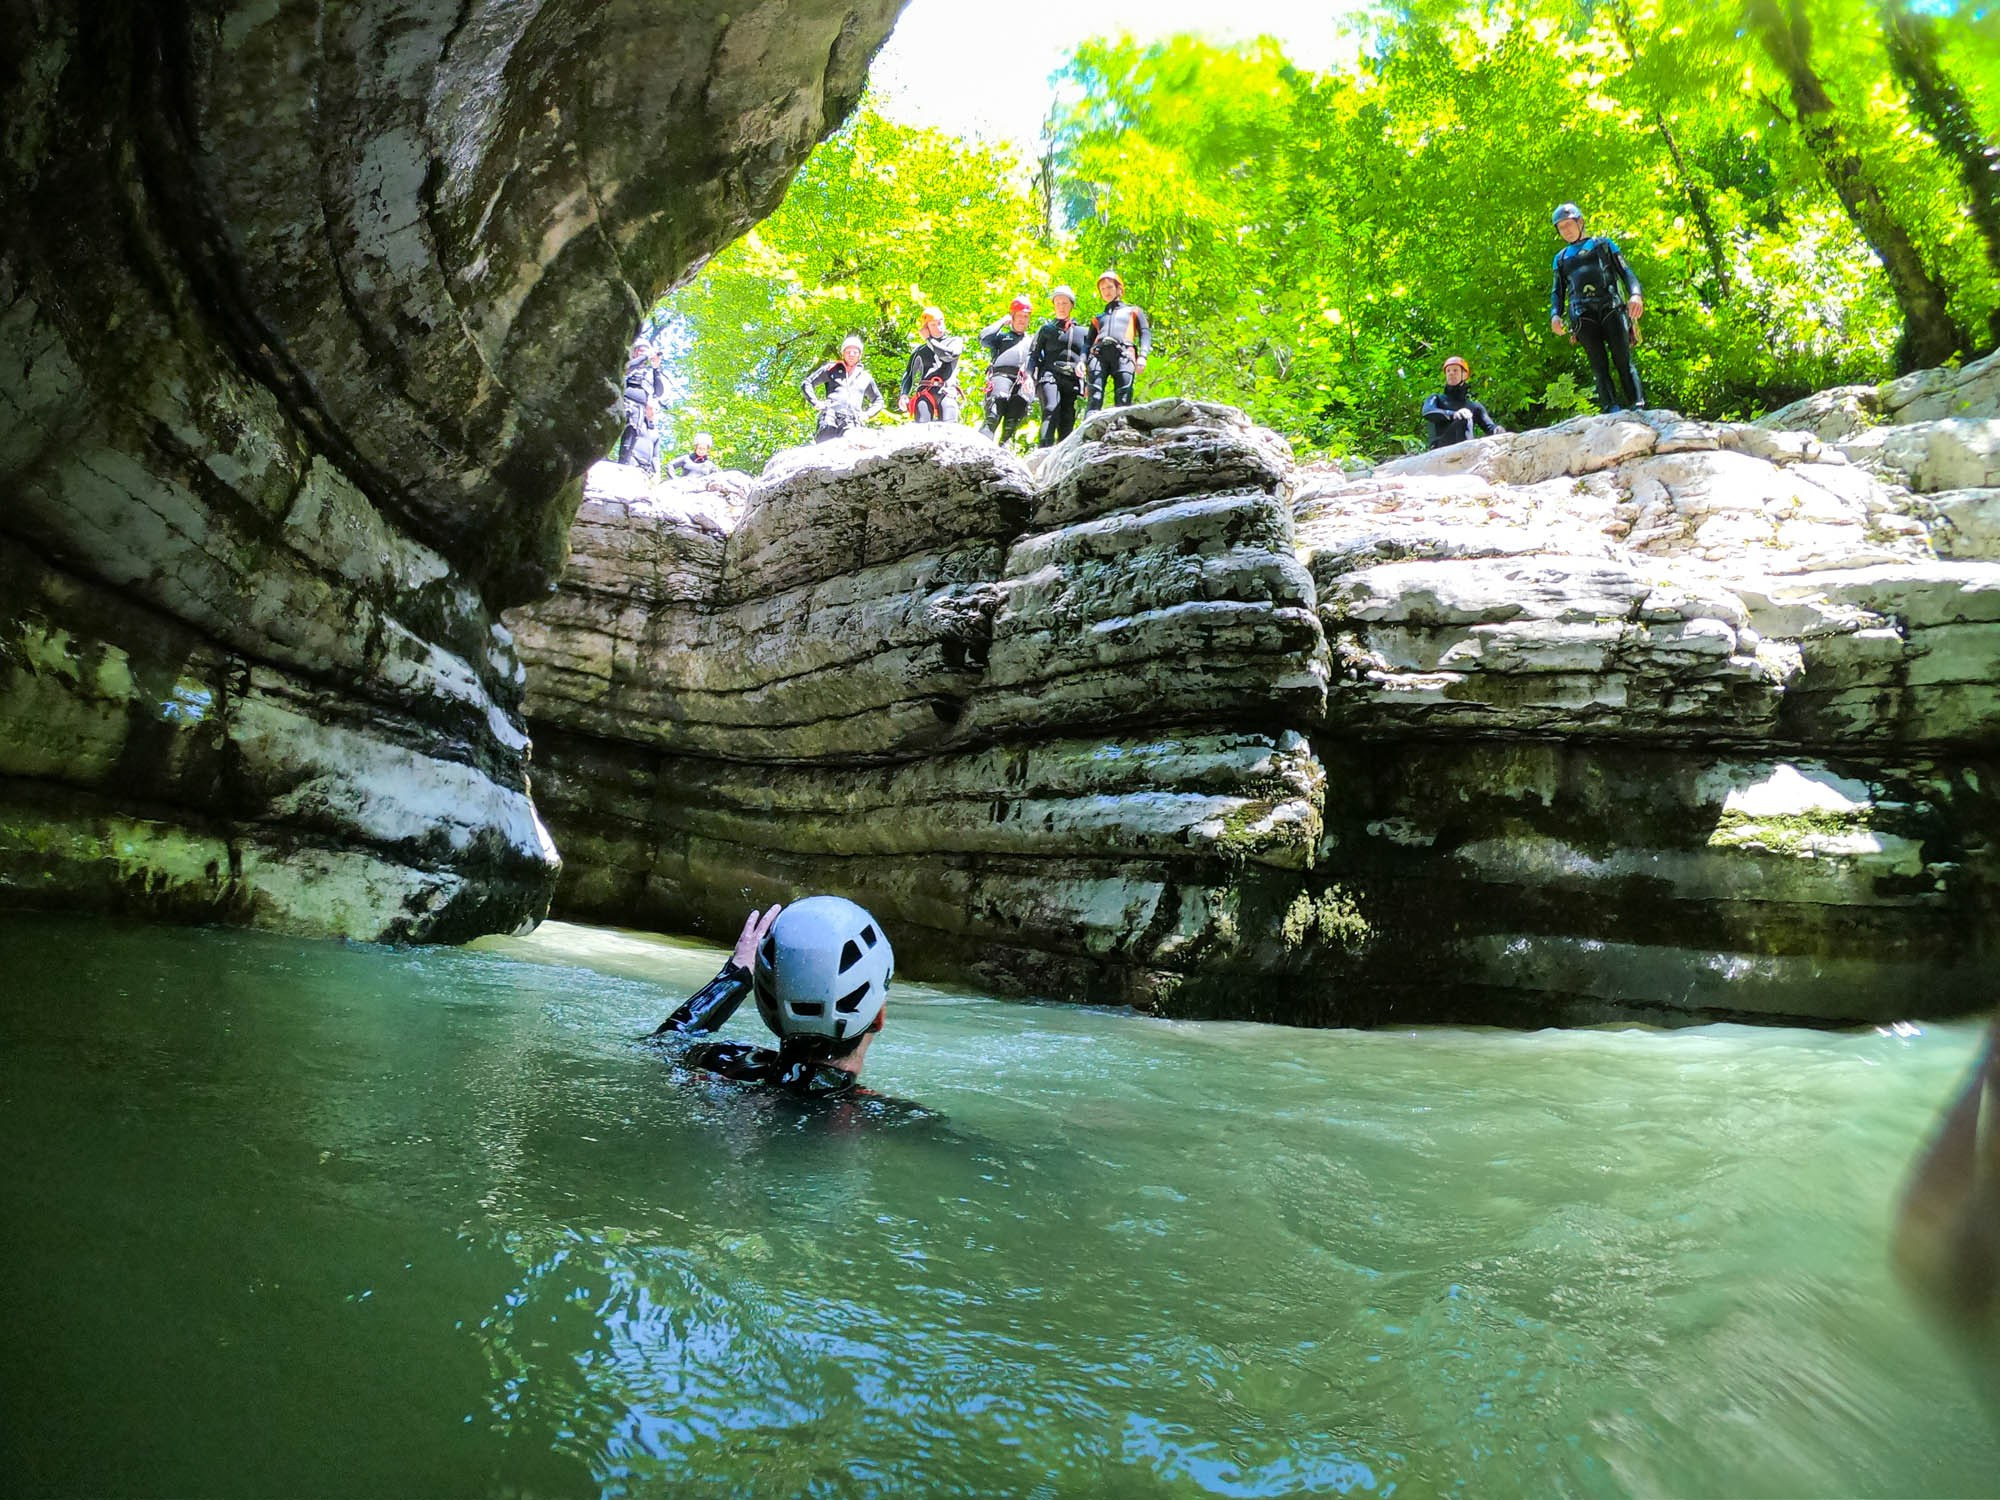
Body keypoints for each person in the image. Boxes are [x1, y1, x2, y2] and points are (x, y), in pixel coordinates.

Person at [648, 897, 894, 1096]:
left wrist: (735, 976)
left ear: (767, 1009)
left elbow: (664, 1043)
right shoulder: (877, 1117)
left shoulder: (725, 1064)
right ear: (878, 1017)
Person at [1548, 202, 1645, 413]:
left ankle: (1638, 405)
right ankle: (1611, 408)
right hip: (1582, 315)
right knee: (1598, 365)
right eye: (1561, 227)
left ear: (1580, 222)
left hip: (1611, 307)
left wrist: (1635, 294)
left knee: (1622, 359)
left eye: (1568, 224)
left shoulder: (1603, 245)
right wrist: (1555, 315)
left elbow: (1626, 272)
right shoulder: (1561, 259)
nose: (1566, 230)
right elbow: (1557, 291)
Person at [1030, 285, 1093, 448]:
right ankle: (1044, 449)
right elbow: (1034, 355)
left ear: (1071, 305)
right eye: (1057, 303)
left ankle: (1062, 454)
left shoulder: (1083, 332)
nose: (1061, 307)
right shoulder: (1047, 330)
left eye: (1064, 303)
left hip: (1071, 379)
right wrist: (1029, 376)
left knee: (1067, 417)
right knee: (1051, 408)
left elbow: (1089, 359)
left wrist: (1088, 383)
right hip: (1049, 375)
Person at [1086, 271, 1152, 413]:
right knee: (1094, 397)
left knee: (1123, 397)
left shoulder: (1133, 311)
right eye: (1103, 289)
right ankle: (1089, 425)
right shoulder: (1098, 318)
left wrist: (1143, 356)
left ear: (1119, 289)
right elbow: (1087, 343)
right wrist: (1081, 361)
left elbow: (1145, 333)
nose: (1106, 291)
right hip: (1098, 355)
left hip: (1124, 354)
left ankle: (1122, 425)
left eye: (1110, 287)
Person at [801, 335, 886, 443]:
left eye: (855, 352)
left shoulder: (866, 377)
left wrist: (867, 414)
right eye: (848, 351)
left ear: (860, 355)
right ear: (843, 354)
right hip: (830, 416)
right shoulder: (831, 369)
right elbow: (807, 383)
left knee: (852, 446)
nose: (851, 354)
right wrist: (815, 402)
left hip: (852, 421)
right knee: (825, 446)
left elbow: (879, 400)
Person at [977, 296, 1037, 443]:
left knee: (1013, 419)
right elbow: (983, 338)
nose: (1022, 320)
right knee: (994, 413)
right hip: (1001, 376)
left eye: (1026, 316)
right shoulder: (1001, 338)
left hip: (1022, 381)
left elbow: (1039, 362)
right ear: (1012, 316)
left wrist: (1031, 379)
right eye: (1019, 316)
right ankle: (982, 444)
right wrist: (1002, 322)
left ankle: (1005, 447)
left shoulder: (1032, 341)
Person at [1421, 356, 1504, 449]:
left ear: (1464, 375)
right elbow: (1427, 412)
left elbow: (1490, 427)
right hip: (1440, 447)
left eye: (1455, 370)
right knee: (1464, 417)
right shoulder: (1436, 398)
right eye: (1448, 371)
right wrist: (1454, 414)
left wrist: (1498, 430)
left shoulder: (1474, 406)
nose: (1451, 373)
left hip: (1468, 448)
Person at [901, 307, 965, 424]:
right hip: (925, 392)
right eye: (933, 325)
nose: (938, 328)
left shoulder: (954, 342)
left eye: (940, 323)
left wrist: (929, 340)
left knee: (950, 427)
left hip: (947, 391)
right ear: (926, 328)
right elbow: (909, 374)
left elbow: (947, 356)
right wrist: (904, 394)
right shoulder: (920, 351)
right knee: (922, 426)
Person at [618, 341, 665, 469]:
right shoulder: (628, 364)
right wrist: (645, 356)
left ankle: (623, 464)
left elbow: (659, 391)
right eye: (641, 350)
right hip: (623, 401)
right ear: (635, 352)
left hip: (639, 407)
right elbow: (626, 369)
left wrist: (656, 368)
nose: (644, 352)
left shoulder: (649, 372)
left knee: (631, 433)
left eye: (646, 350)